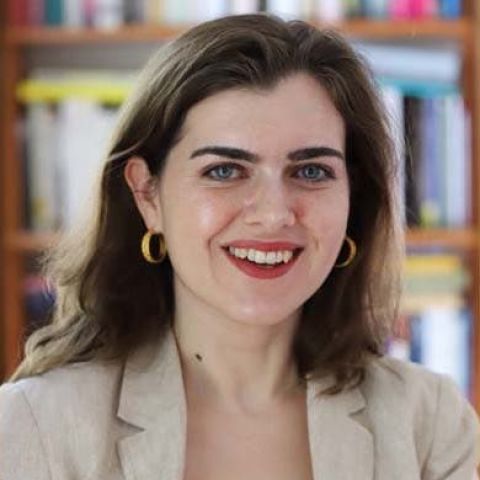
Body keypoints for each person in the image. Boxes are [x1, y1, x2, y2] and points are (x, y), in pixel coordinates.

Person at [0, 13, 478, 480]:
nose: (273, 213)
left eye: (311, 171)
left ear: (354, 196)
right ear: (148, 195)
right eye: (224, 171)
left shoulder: (429, 424)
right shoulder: (36, 425)